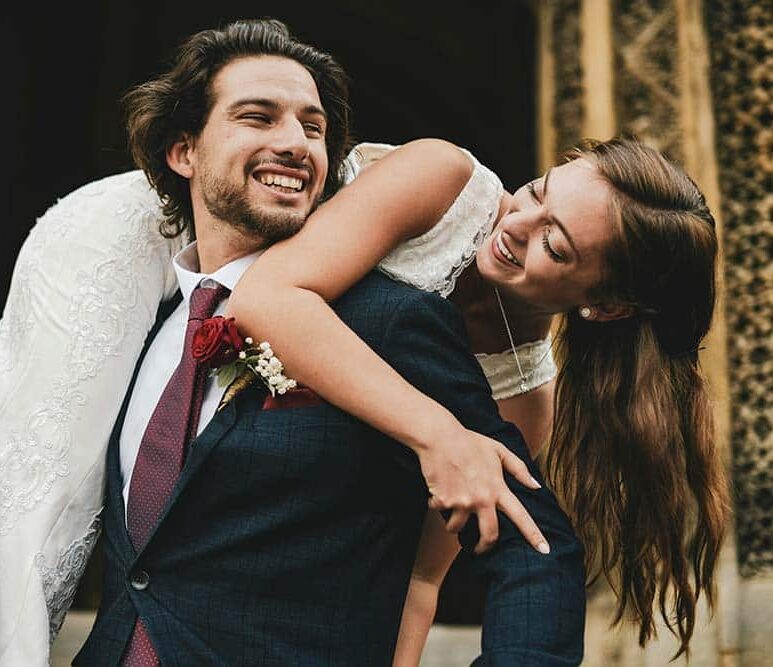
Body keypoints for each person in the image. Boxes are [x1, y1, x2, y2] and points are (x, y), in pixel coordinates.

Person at [1, 19, 584, 665]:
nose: (294, 144)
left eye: (313, 128)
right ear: (184, 152)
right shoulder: (130, 314)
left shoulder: (391, 324)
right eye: (258, 117)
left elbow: (535, 552)